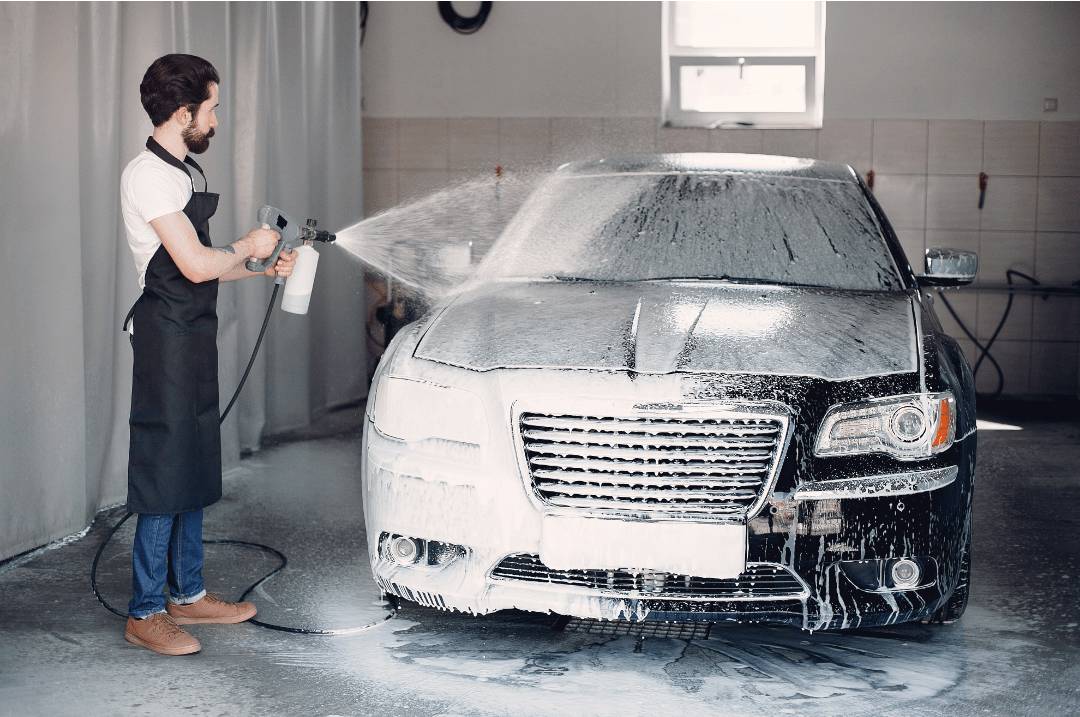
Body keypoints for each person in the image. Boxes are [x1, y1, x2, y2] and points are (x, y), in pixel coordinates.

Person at [118, 53, 296, 656]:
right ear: (182, 111)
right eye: (211, 108)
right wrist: (247, 245)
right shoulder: (148, 175)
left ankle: (187, 594)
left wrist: (265, 265)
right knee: (165, 467)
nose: (216, 120)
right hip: (165, 336)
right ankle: (145, 610)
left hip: (192, 331)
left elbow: (208, 269)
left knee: (194, 459)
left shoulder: (183, 171)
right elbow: (194, 264)